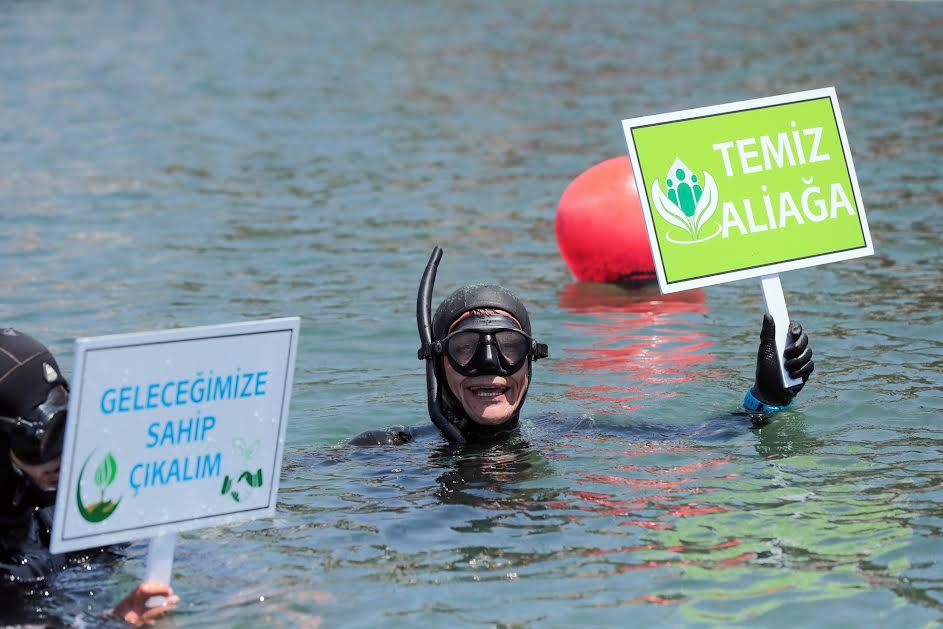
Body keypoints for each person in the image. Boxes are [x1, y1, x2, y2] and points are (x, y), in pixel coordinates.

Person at [352, 246, 814, 446]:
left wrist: (765, 401)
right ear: (436, 362)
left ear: (531, 362)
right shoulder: (389, 450)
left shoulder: (564, 432)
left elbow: (693, 438)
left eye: (509, 347)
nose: (489, 367)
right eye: (466, 348)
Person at [0, 328, 179, 625]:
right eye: (43, 439)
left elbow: (127, 545)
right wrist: (117, 622)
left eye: (69, 427)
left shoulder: (59, 508)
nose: (62, 455)